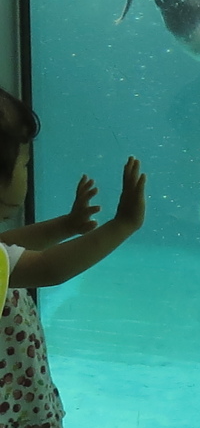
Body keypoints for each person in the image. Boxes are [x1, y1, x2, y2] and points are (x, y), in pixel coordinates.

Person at [0, 86, 146, 427]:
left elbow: (8, 247)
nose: (26, 171)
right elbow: (49, 269)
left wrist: (65, 226)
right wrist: (122, 225)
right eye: (24, 163)